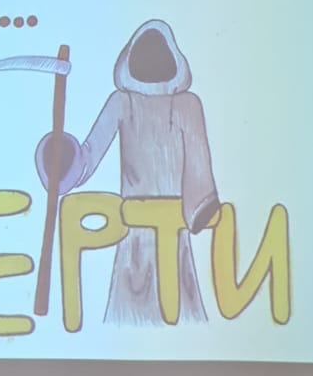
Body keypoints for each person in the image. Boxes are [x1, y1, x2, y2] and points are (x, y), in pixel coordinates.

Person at [35, 18, 220, 325]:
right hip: (133, 223)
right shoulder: (122, 102)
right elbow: (89, 155)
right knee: (132, 299)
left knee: (177, 295)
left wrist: (200, 204)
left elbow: (198, 160)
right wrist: (60, 156)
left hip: (174, 221)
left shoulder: (187, 105)